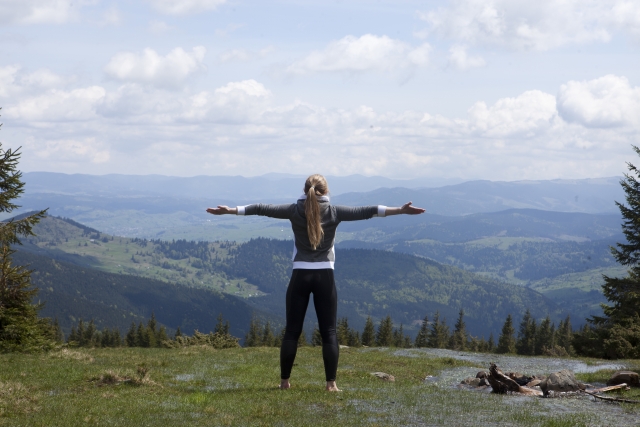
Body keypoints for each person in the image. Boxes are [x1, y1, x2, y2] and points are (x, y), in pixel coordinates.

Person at [206, 174, 425, 391]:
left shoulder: (293, 210)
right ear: (326, 191)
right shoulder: (334, 212)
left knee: (292, 331)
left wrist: (230, 211)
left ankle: (284, 382)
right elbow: (370, 211)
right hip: (325, 277)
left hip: (300, 275)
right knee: (329, 331)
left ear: (305, 190)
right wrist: (401, 210)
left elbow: (261, 208)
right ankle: (331, 385)